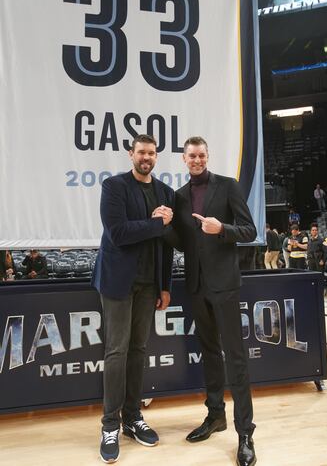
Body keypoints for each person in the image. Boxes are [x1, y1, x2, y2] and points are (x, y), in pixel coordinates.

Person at [170, 136, 257, 466]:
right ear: (184, 158)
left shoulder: (228, 186)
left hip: (224, 285)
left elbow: (249, 230)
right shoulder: (179, 197)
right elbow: (182, 243)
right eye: (191, 155)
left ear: (208, 156)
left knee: (235, 357)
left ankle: (245, 432)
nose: (197, 160)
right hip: (196, 285)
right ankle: (215, 416)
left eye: (201, 155)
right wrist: (164, 226)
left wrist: (222, 228)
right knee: (209, 354)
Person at [91, 134, 175, 464]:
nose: (146, 157)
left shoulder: (166, 192)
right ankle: (109, 424)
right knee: (116, 351)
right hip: (117, 281)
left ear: (156, 156)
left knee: (139, 349)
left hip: (148, 284)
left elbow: (166, 242)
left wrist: (165, 285)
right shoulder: (114, 187)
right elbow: (118, 233)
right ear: (131, 154)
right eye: (141, 152)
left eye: (151, 153)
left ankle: (132, 417)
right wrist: (155, 222)